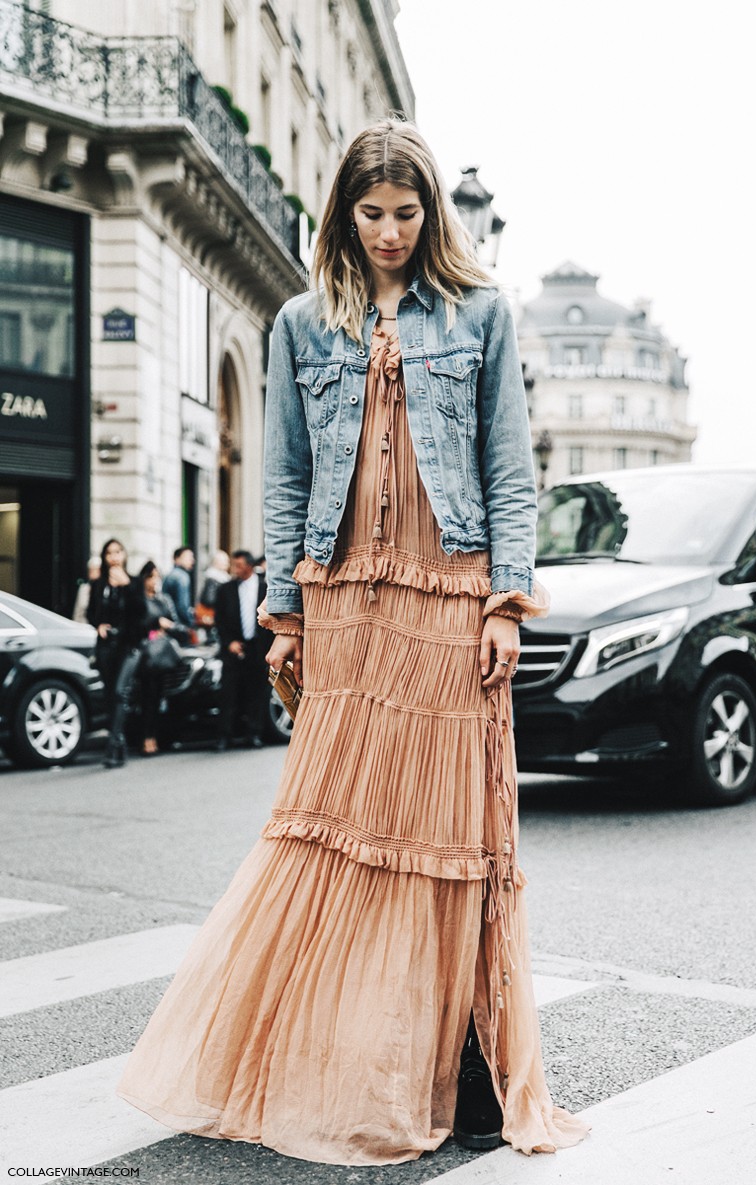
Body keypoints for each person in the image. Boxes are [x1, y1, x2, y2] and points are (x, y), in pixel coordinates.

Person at [118, 120, 591, 1163]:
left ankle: (453, 1065)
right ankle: (323, 1057)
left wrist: (505, 605)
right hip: (344, 598)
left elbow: (510, 472)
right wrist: (286, 618)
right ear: (343, 215)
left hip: (450, 590)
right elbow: (284, 477)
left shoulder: (480, 314)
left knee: (456, 838)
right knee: (332, 827)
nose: (387, 231)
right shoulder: (300, 322)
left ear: (432, 216)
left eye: (405, 213)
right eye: (370, 213)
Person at [87, 539, 144, 768]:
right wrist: (99, 624)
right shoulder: (99, 584)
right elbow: (91, 613)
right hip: (106, 647)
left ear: (124, 555)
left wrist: (127, 586)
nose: (114, 556)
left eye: (118, 551)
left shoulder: (135, 582)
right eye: (110, 553)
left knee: (121, 692)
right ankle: (119, 743)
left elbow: (141, 612)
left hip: (128, 646)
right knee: (110, 695)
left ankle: (112, 746)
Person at [212, 549, 270, 751]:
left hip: (257, 646)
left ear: (248, 566)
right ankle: (224, 735)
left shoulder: (265, 587)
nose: (235, 569)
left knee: (257, 692)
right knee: (228, 692)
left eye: (238, 565)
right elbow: (219, 620)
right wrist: (228, 642)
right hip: (234, 646)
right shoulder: (225, 589)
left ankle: (254, 733)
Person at [136, 561, 181, 756]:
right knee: (148, 698)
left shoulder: (163, 599)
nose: (155, 580)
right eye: (151, 576)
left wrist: (167, 626)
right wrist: (155, 625)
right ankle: (147, 738)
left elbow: (176, 623)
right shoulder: (139, 600)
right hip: (146, 656)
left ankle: (161, 737)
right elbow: (136, 623)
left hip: (163, 655)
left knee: (162, 698)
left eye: (157, 576)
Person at [194, 550, 231, 627]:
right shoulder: (213, 578)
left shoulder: (222, 577)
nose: (227, 563)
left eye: (227, 560)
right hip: (211, 616)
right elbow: (209, 599)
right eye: (224, 561)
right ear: (215, 562)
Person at [161, 546, 195, 629]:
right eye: (188, 557)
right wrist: (190, 622)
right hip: (179, 624)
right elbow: (182, 605)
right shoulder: (182, 576)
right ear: (177, 559)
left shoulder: (168, 575)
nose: (192, 560)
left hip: (168, 621)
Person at [72, 555, 101, 624]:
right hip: (84, 627)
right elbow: (77, 612)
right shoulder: (83, 588)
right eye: (91, 570)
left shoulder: (106, 589)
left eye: (96, 570)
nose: (93, 573)